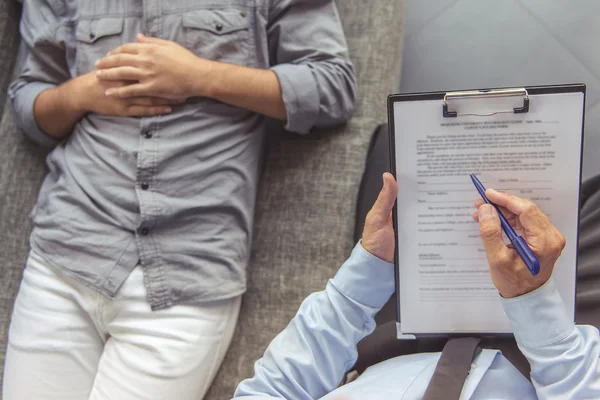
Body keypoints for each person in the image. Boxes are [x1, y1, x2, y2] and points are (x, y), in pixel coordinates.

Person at [3, 1, 356, 399]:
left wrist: (201, 77)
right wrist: (80, 94)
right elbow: (28, 100)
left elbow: (333, 86)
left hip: (188, 272)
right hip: (64, 254)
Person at [233, 173, 600, 399]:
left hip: (394, 340)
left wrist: (370, 264)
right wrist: (533, 301)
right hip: (551, 365)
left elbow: (275, 388)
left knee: (411, 183)